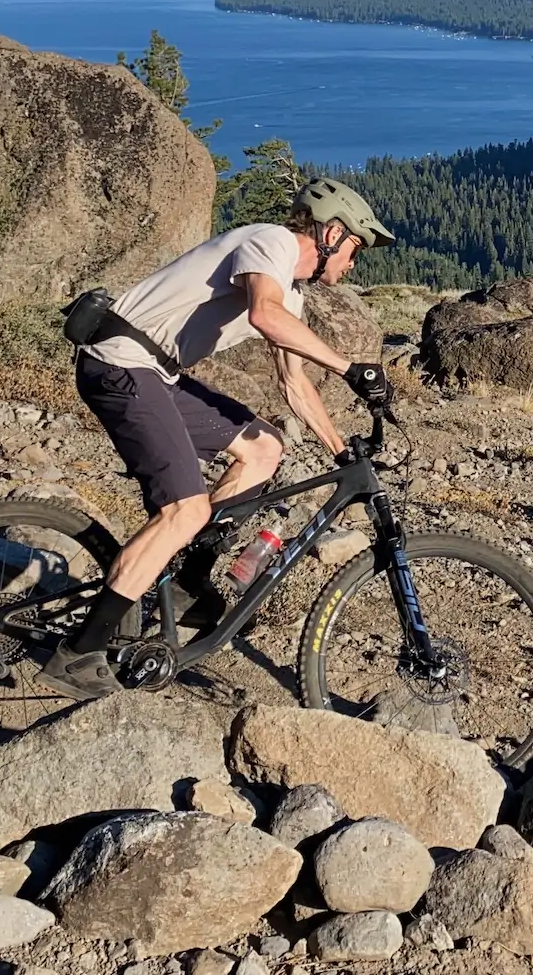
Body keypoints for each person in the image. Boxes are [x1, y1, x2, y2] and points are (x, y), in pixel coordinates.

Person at [40, 178, 397, 699]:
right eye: (355, 250)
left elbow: (294, 384)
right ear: (332, 232)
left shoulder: (291, 294)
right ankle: (78, 654)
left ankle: (188, 582)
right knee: (183, 510)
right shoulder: (270, 243)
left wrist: (341, 450)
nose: (353, 264)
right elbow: (262, 316)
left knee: (264, 447)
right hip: (120, 363)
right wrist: (349, 368)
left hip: (155, 372)